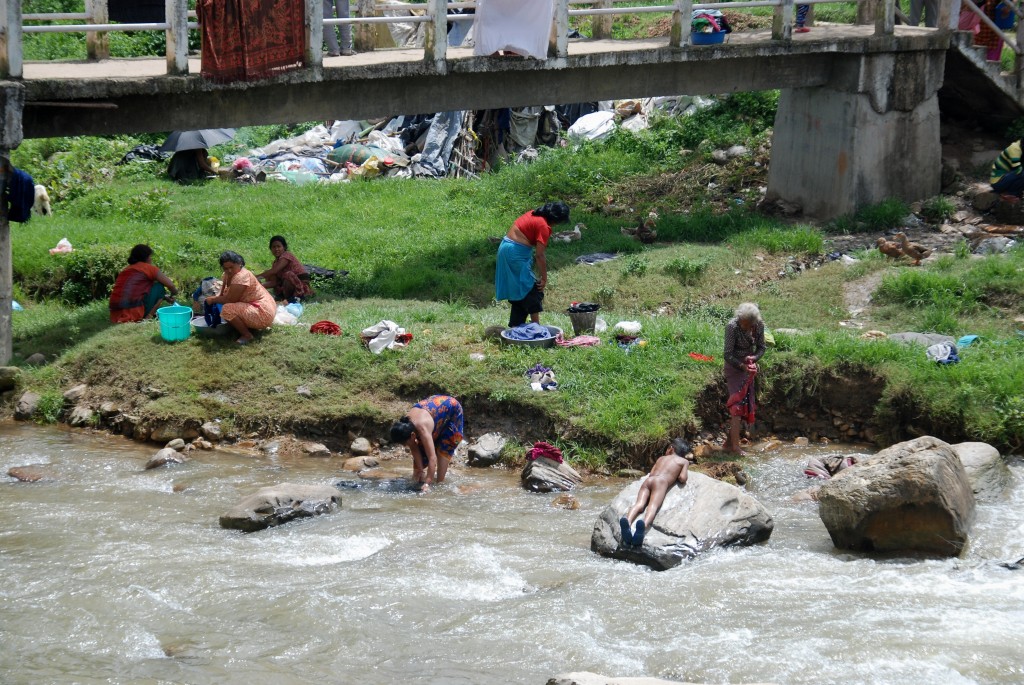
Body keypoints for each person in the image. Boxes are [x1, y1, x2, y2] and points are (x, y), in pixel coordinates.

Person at [494, 201, 570, 327]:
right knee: (534, 289)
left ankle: (516, 325)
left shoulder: (532, 214)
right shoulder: (543, 226)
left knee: (520, 290)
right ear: (556, 219)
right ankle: (536, 327)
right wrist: (544, 278)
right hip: (515, 253)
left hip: (505, 249)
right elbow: (539, 255)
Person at [619, 438, 693, 547]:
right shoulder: (684, 461)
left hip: (649, 481)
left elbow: (651, 473)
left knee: (639, 504)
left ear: (671, 448)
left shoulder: (661, 458)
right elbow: (683, 478)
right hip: (661, 483)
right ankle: (643, 526)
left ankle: (628, 522)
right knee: (652, 506)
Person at [389, 395, 464, 493]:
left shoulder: (422, 429)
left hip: (452, 410)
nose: (404, 446)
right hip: (434, 414)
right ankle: (421, 480)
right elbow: (414, 447)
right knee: (417, 470)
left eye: (405, 443)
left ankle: (440, 484)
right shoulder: (406, 425)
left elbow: (432, 458)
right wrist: (420, 469)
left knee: (444, 448)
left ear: (412, 435)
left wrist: (427, 483)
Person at [203, 251, 277, 345]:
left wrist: (213, 299)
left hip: (263, 310)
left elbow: (230, 300)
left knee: (227, 309)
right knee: (224, 308)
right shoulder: (226, 275)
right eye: (226, 268)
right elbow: (222, 295)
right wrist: (214, 299)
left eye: (231, 267)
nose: (229, 270)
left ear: (239, 264)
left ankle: (247, 335)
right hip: (254, 306)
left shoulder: (241, 276)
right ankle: (245, 327)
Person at [722, 302, 766, 454]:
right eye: (743, 323)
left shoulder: (759, 325)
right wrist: (742, 366)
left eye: (748, 325)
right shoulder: (732, 327)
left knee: (746, 406)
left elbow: (762, 348)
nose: (745, 327)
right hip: (735, 369)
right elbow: (727, 354)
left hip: (749, 368)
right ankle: (735, 447)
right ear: (739, 318)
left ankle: (728, 444)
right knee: (737, 407)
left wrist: (753, 358)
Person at [108, 244, 179, 323]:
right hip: (133, 313)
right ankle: (147, 318)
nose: (151, 259)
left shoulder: (126, 270)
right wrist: (174, 293)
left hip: (115, 314)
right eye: (150, 257)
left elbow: (134, 292)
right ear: (146, 257)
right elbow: (170, 285)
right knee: (159, 287)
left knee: (155, 287)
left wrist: (165, 297)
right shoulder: (148, 268)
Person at [255, 235, 314, 302]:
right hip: (286, 286)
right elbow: (274, 282)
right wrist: (258, 286)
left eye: (278, 246)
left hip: (300, 285)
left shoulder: (286, 256)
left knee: (288, 274)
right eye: (274, 247)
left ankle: (296, 297)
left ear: (284, 247)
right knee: (270, 274)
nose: (276, 249)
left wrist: (255, 277)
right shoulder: (275, 263)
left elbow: (274, 271)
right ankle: (283, 297)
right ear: (271, 249)